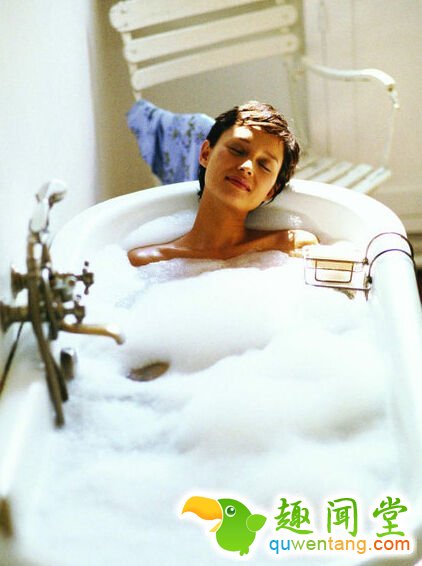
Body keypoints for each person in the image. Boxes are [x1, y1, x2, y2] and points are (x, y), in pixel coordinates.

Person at [128, 101, 318, 267]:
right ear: (205, 154)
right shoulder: (148, 262)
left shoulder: (292, 248)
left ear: (271, 191)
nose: (247, 167)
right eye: (237, 150)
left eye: (264, 165)